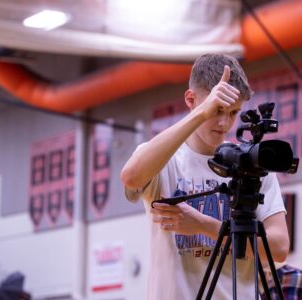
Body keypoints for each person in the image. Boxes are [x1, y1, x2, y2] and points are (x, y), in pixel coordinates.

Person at [120, 53, 290, 299]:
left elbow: (280, 248)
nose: (223, 122)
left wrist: (204, 225)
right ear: (191, 99)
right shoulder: (167, 158)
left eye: (233, 113)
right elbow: (131, 177)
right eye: (217, 109)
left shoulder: (250, 164)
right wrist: (200, 114)